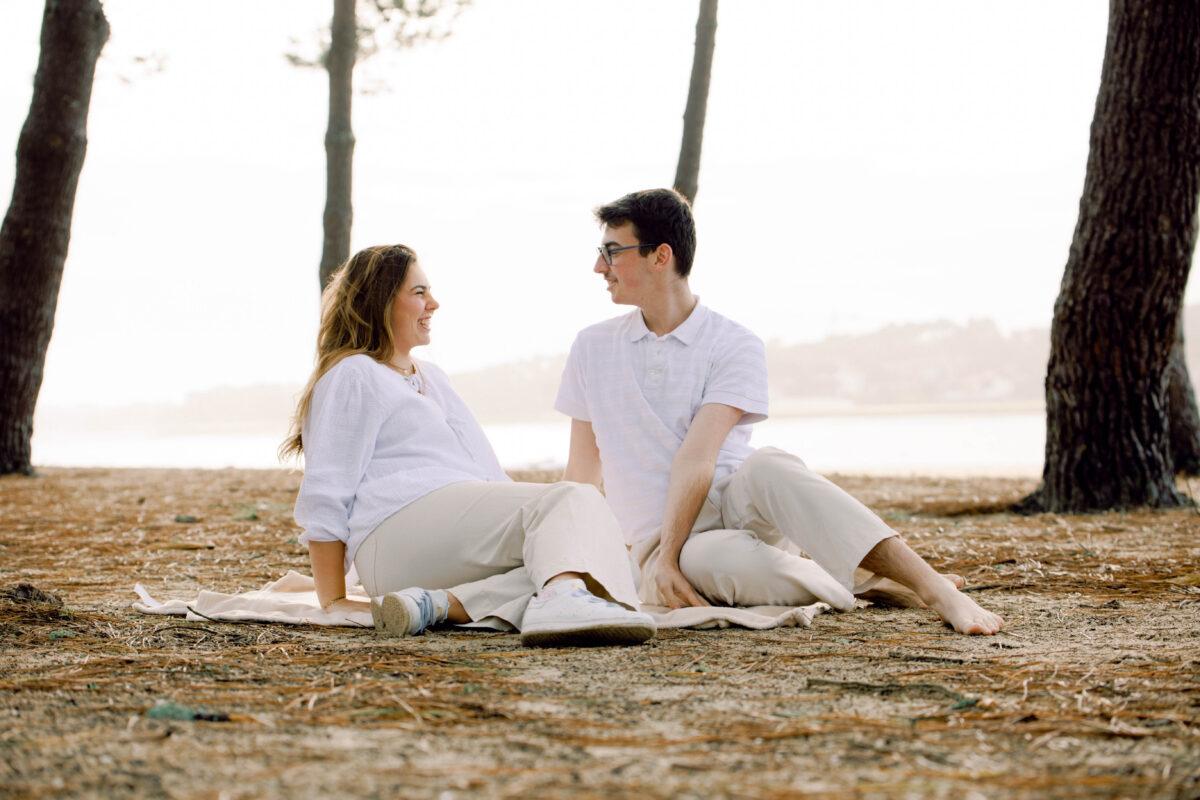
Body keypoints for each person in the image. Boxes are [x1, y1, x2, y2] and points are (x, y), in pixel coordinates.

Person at [555, 189, 1004, 635]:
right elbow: (580, 473)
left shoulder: (733, 343)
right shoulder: (592, 347)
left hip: (732, 500)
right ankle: (855, 582)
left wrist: (671, 557)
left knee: (771, 464)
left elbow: (698, 457)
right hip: (660, 539)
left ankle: (936, 589)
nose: (599, 266)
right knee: (710, 561)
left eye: (612, 252)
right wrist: (577, 567)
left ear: (661, 256)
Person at [282, 244, 655, 647]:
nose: (434, 304)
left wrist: (549, 521)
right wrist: (334, 598)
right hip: (393, 536)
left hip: (448, 540)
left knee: (608, 562)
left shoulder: (433, 378)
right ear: (381, 301)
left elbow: (488, 475)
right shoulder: (355, 373)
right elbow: (326, 493)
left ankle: (435, 605)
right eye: (419, 292)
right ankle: (561, 598)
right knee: (574, 503)